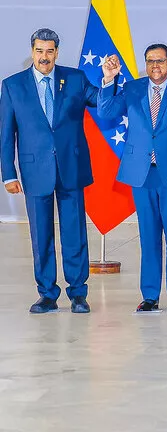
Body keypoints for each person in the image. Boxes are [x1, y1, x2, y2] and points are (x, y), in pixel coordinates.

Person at [98, 45, 167, 313]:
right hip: (142, 172)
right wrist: (109, 79)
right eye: (150, 61)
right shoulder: (132, 88)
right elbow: (107, 112)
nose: (155, 65)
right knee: (148, 236)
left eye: (160, 60)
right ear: (145, 63)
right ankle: (150, 296)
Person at [0, 29, 99, 314]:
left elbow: (100, 102)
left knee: (75, 233)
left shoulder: (76, 79)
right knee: (40, 235)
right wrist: (9, 173)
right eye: (40, 51)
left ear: (57, 52)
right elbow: (6, 134)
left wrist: (108, 79)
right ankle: (47, 293)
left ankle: (78, 293)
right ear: (32, 51)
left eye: (50, 51)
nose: (45, 57)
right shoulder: (13, 86)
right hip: (34, 171)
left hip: (71, 167)